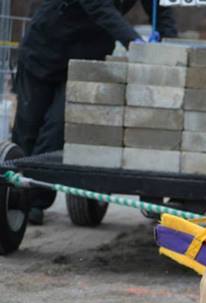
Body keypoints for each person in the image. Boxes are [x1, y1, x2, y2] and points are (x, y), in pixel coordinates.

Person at [12, 0, 177, 225]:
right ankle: (13, 194)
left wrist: (169, 42)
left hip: (86, 59)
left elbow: (161, 9)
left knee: (57, 127)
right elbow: (99, 6)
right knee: (28, 125)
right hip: (45, 48)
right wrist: (134, 40)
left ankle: (36, 200)